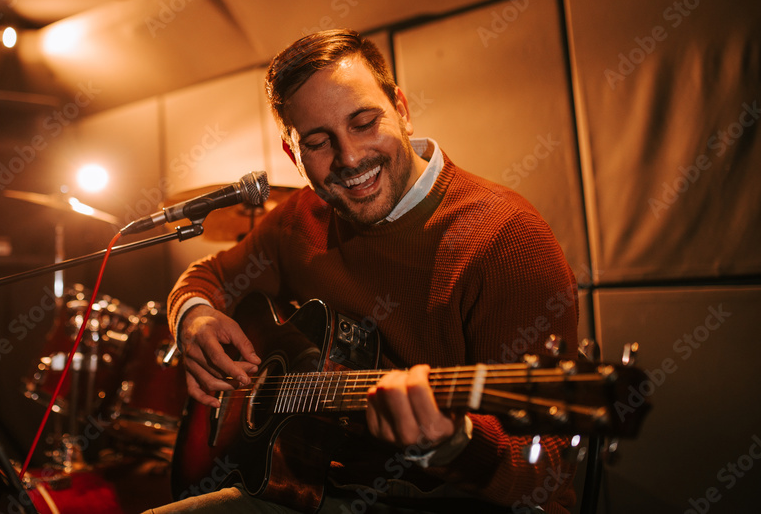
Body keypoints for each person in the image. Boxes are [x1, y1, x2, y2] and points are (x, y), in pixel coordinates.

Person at [151, 29, 579, 513]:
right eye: (318, 142)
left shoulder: (507, 239)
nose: (350, 158)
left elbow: (547, 466)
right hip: (314, 487)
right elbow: (211, 275)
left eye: (364, 122)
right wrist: (193, 316)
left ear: (401, 107)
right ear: (293, 154)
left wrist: (452, 441)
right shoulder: (300, 217)